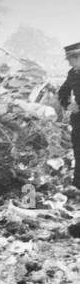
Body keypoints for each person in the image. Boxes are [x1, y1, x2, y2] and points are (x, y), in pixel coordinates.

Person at [59, 42, 80, 190]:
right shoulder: (72, 73)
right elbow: (62, 92)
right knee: (78, 152)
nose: (69, 63)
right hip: (78, 120)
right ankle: (78, 185)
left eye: (70, 60)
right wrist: (68, 105)